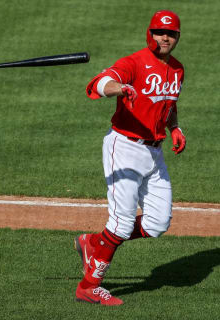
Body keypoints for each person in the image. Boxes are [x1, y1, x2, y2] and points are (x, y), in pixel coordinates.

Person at [74, 10, 186, 306]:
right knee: (122, 224)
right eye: (159, 32)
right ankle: (88, 286)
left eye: (171, 33)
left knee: (158, 223)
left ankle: (94, 243)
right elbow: (98, 83)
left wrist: (175, 128)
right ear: (149, 33)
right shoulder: (133, 62)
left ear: (177, 38)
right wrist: (119, 88)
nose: (165, 37)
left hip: (155, 152)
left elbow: (168, 103)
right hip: (124, 147)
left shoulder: (177, 70)